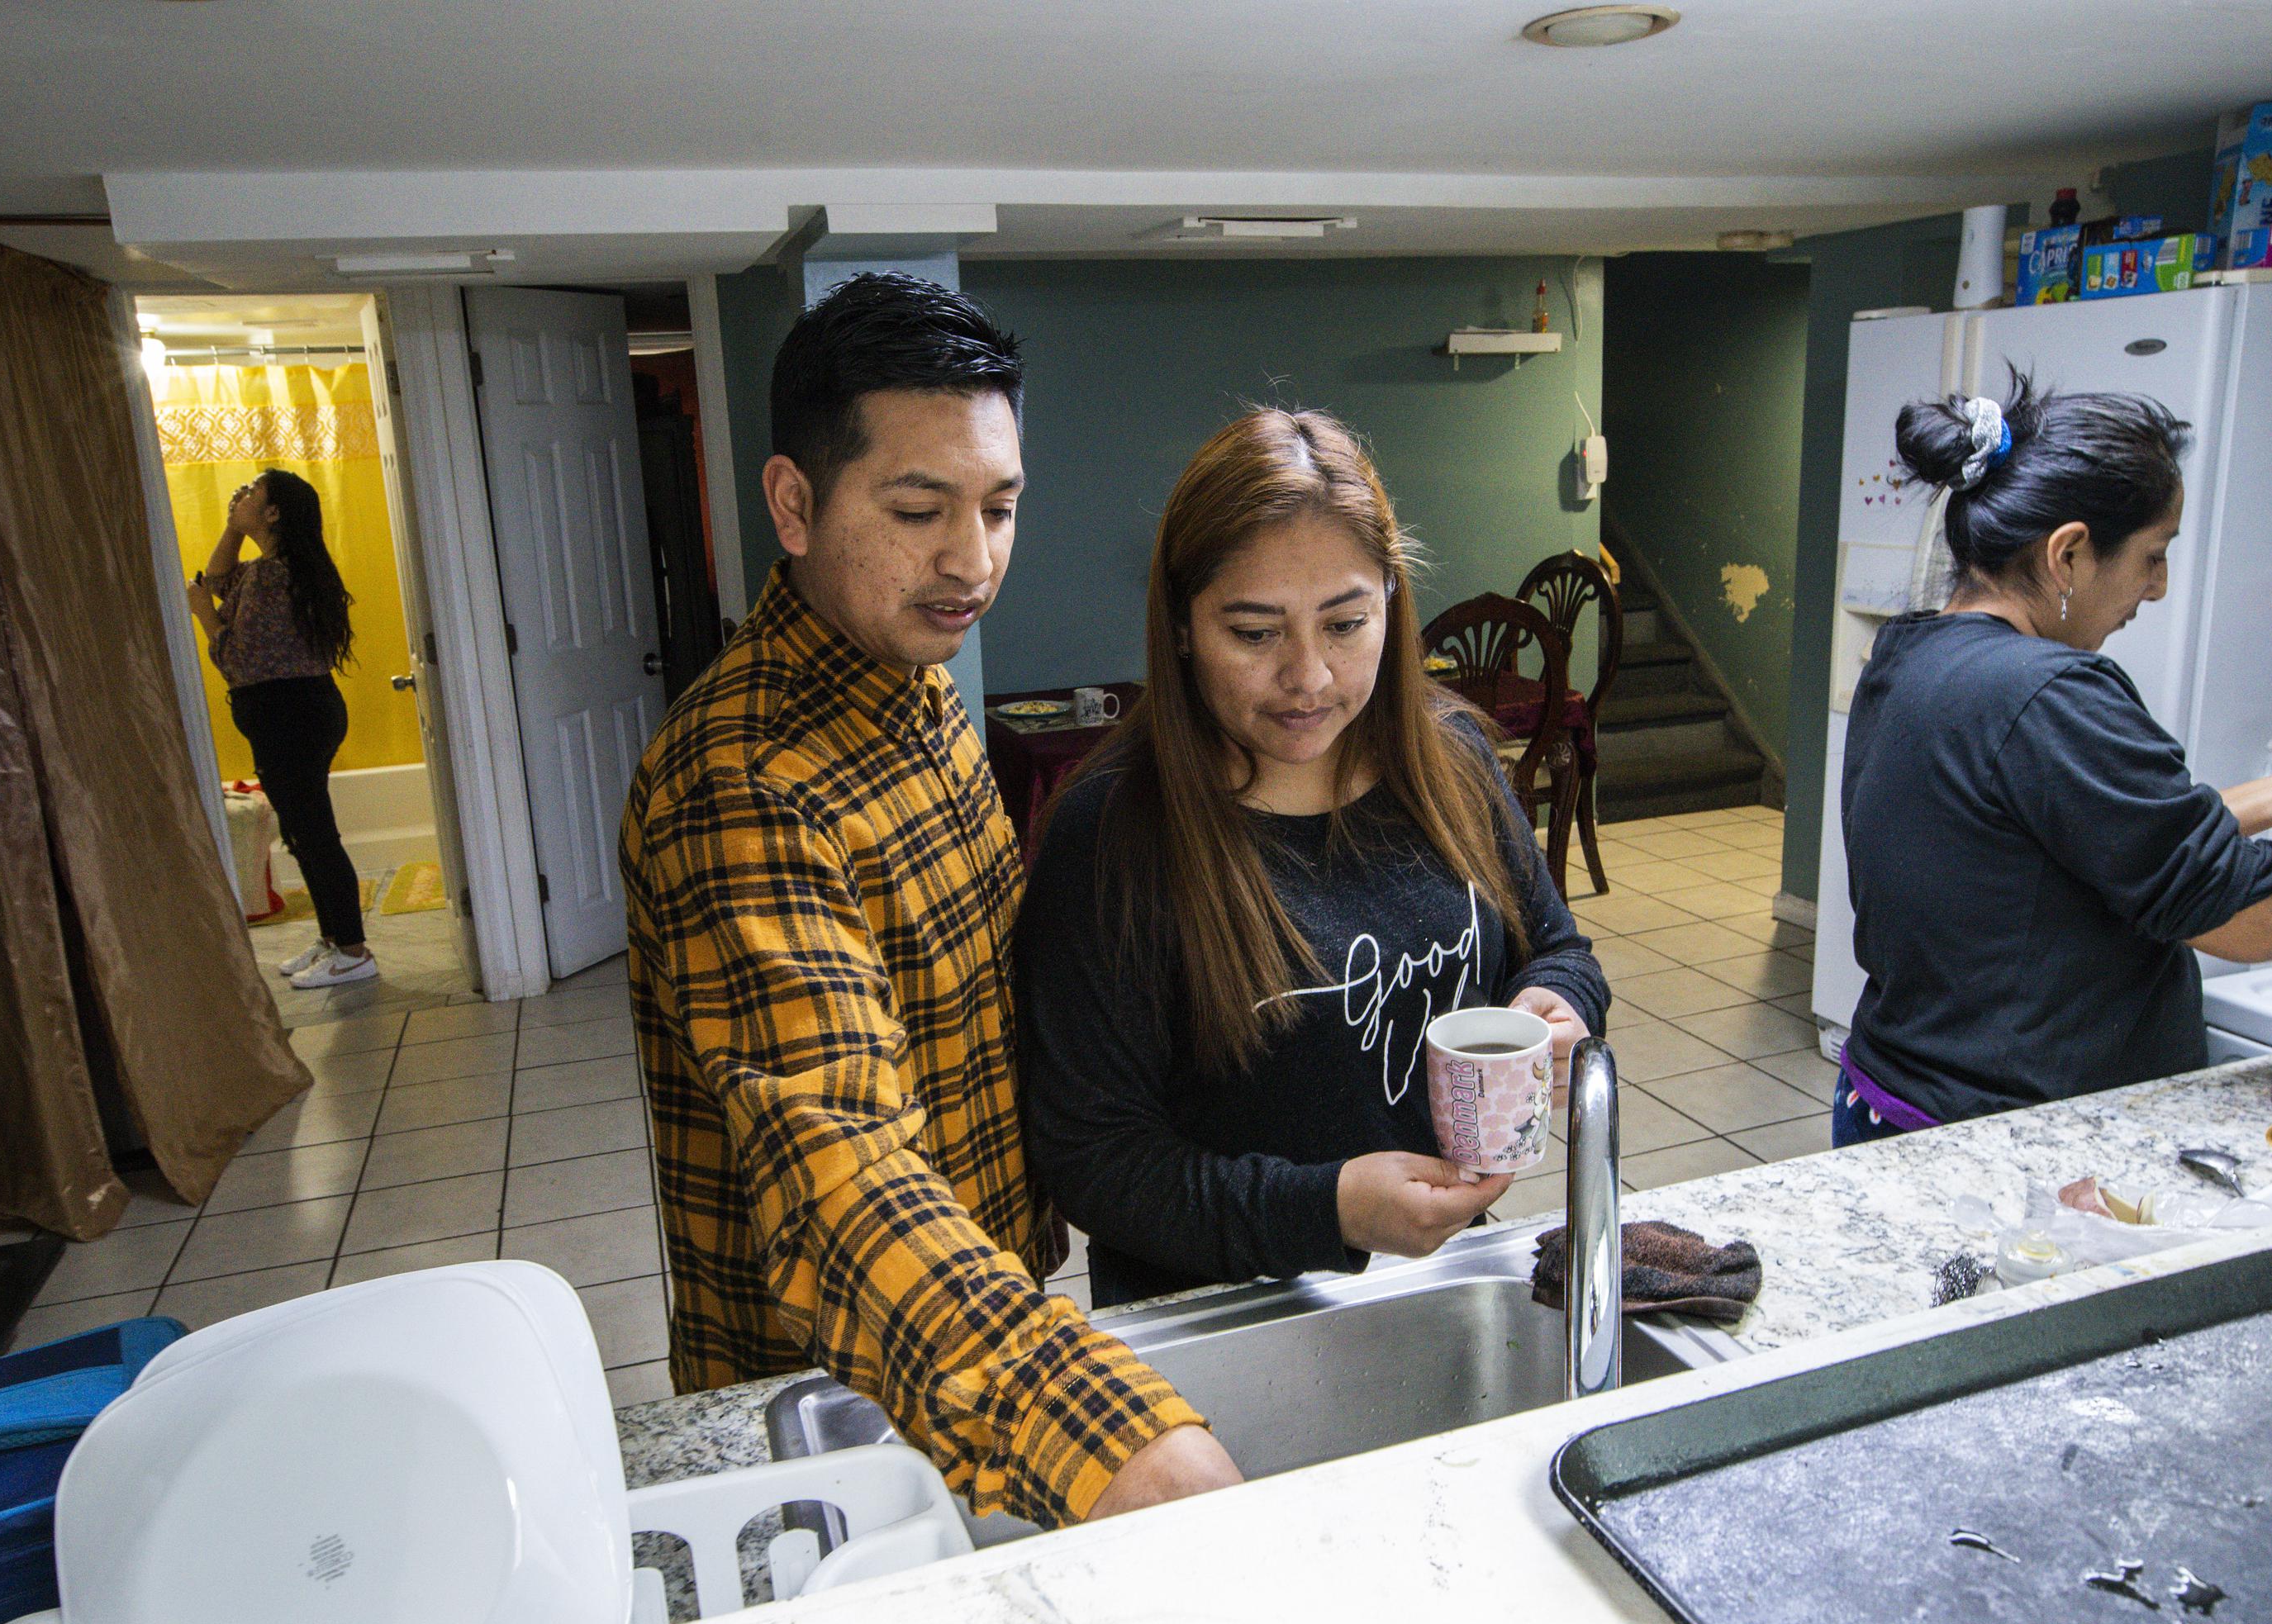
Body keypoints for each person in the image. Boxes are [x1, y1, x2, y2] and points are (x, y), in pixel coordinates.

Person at [618, 273, 1237, 1530]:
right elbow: (841, 1168)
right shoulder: (744, 786)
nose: (973, 559)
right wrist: (1113, 1436)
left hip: (966, 1322)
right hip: (834, 1389)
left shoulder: (917, 692)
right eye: (918, 509)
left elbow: (987, 993)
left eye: (1000, 506)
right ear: (793, 503)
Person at [1014, 409, 1610, 1308]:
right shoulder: (1111, 834)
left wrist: (1561, 1006)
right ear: (1181, 627)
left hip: (1443, 1277)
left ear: (1392, 602)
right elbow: (1096, 1160)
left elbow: (1557, 946)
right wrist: (1331, 1210)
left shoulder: (1451, 759)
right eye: (1255, 633)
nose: (1310, 677)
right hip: (1215, 1319)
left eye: (1345, 624)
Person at [1837, 372, 2272, 1144]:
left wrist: (2271, 797)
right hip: (2007, 1140)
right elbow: (2254, 921)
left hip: (1893, 1098)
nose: (2160, 587)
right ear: (2068, 553)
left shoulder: (1911, 655)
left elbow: (2036, 848)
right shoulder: (2050, 692)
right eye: (2153, 555)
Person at [187, 468, 376, 990]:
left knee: (313, 835)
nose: (241, 495)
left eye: (251, 494)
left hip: (291, 716)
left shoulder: (275, 576)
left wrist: (203, 613)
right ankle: (336, 939)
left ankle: (354, 951)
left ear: (273, 514)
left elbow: (240, 657)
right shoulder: (270, 568)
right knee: (302, 833)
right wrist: (231, 528)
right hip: (298, 713)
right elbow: (222, 579)